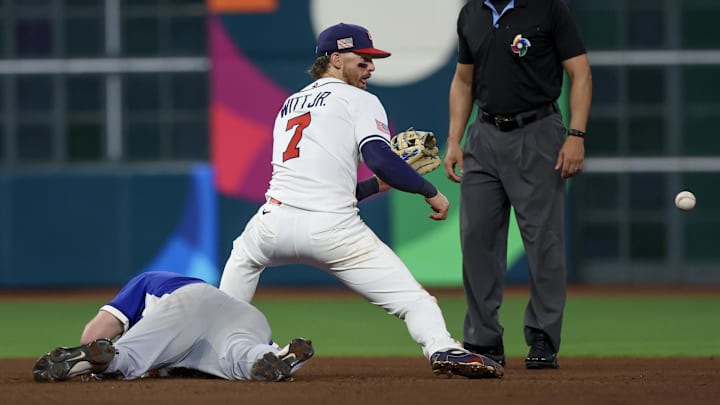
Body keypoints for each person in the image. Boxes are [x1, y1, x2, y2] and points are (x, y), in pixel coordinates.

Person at [218, 22, 503, 379]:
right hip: (333, 230)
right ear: (336, 59)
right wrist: (432, 193)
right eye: (363, 59)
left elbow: (322, 182)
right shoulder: (360, 100)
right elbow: (379, 157)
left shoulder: (289, 104)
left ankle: (217, 342)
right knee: (415, 302)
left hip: (272, 223)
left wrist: (376, 186)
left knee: (241, 263)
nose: (371, 67)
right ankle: (442, 348)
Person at [444, 0, 592, 369]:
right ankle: (483, 338)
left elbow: (581, 73)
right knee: (477, 239)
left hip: (538, 131)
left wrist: (576, 134)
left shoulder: (548, 8)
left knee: (543, 241)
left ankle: (543, 338)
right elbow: (464, 80)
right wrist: (454, 140)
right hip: (484, 133)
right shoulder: (472, 13)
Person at [32, 271, 314, 382]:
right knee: (239, 357)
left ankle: (106, 362)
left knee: (128, 357)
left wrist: (111, 345)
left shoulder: (145, 280)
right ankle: (277, 356)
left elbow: (93, 335)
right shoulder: (176, 281)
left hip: (188, 305)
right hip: (245, 315)